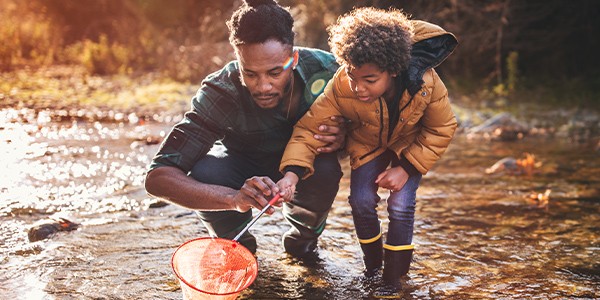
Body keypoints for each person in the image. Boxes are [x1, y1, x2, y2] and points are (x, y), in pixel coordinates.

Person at [144, 0, 347, 256]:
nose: (263, 86)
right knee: (206, 170)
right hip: (240, 168)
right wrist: (232, 199)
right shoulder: (220, 91)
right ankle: (239, 251)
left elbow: (380, 122)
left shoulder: (329, 71)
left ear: (293, 58)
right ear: (238, 60)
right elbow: (158, 178)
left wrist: (345, 137)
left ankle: (303, 241)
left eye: (275, 72)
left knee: (327, 168)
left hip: (306, 168)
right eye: (250, 74)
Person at [277, 6, 458, 292]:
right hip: (367, 143)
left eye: (369, 80)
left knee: (400, 204)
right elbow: (309, 129)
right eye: (352, 75)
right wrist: (291, 173)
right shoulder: (341, 85)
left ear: (394, 70)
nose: (358, 87)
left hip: (408, 146)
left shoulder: (426, 84)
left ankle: (394, 279)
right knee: (361, 201)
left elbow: (442, 127)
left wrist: (407, 168)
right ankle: (373, 269)